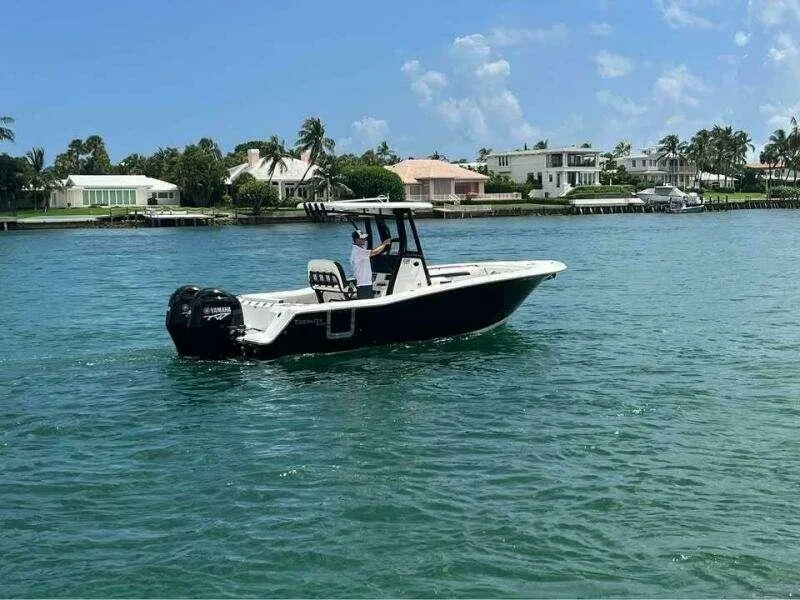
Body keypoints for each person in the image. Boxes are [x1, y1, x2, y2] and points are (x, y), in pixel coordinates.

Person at [350, 229, 391, 299]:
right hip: (364, 285)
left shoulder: (360, 249)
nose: (364, 239)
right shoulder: (358, 251)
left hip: (365, 284)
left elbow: (371, 249)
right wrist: (385, 243)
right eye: (362, 238)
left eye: (364, 238)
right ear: (356, 240)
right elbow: (375, 252)